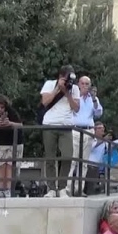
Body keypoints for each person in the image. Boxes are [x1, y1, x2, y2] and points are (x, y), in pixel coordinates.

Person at [39, 65, 79, 198]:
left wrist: (67, 92)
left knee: (67, 156)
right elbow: (45, 102)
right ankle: (51, 188)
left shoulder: (74, 88)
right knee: (50, 158)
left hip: (66, 126)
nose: (69, 82)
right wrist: (57, 89)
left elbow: (76, 108)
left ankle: (62, 187)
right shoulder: (49, 84)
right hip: (49, 125)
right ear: (61, 76)